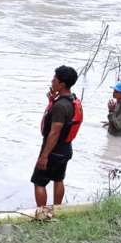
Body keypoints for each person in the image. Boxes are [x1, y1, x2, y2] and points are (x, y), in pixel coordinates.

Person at [32, 65, 83, 214]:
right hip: (65, 149)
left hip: (53, 151)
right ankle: (57, 210)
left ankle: (42, 215)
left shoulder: (60, 106)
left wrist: (44, 156)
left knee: (39, 182)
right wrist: (51, 101)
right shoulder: (71, 99)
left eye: (54, 79)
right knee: (58, 179)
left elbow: (54, 133)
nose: (52, 81)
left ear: (61, 84)